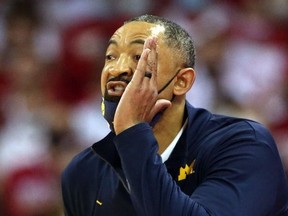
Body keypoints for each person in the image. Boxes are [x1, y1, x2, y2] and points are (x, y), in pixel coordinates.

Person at [61, 14, 288, 216]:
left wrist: (132, 131)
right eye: (110, 57)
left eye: (139, 57)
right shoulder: (85, 172)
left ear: (181, 82)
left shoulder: (244, 144)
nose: (117, 69)